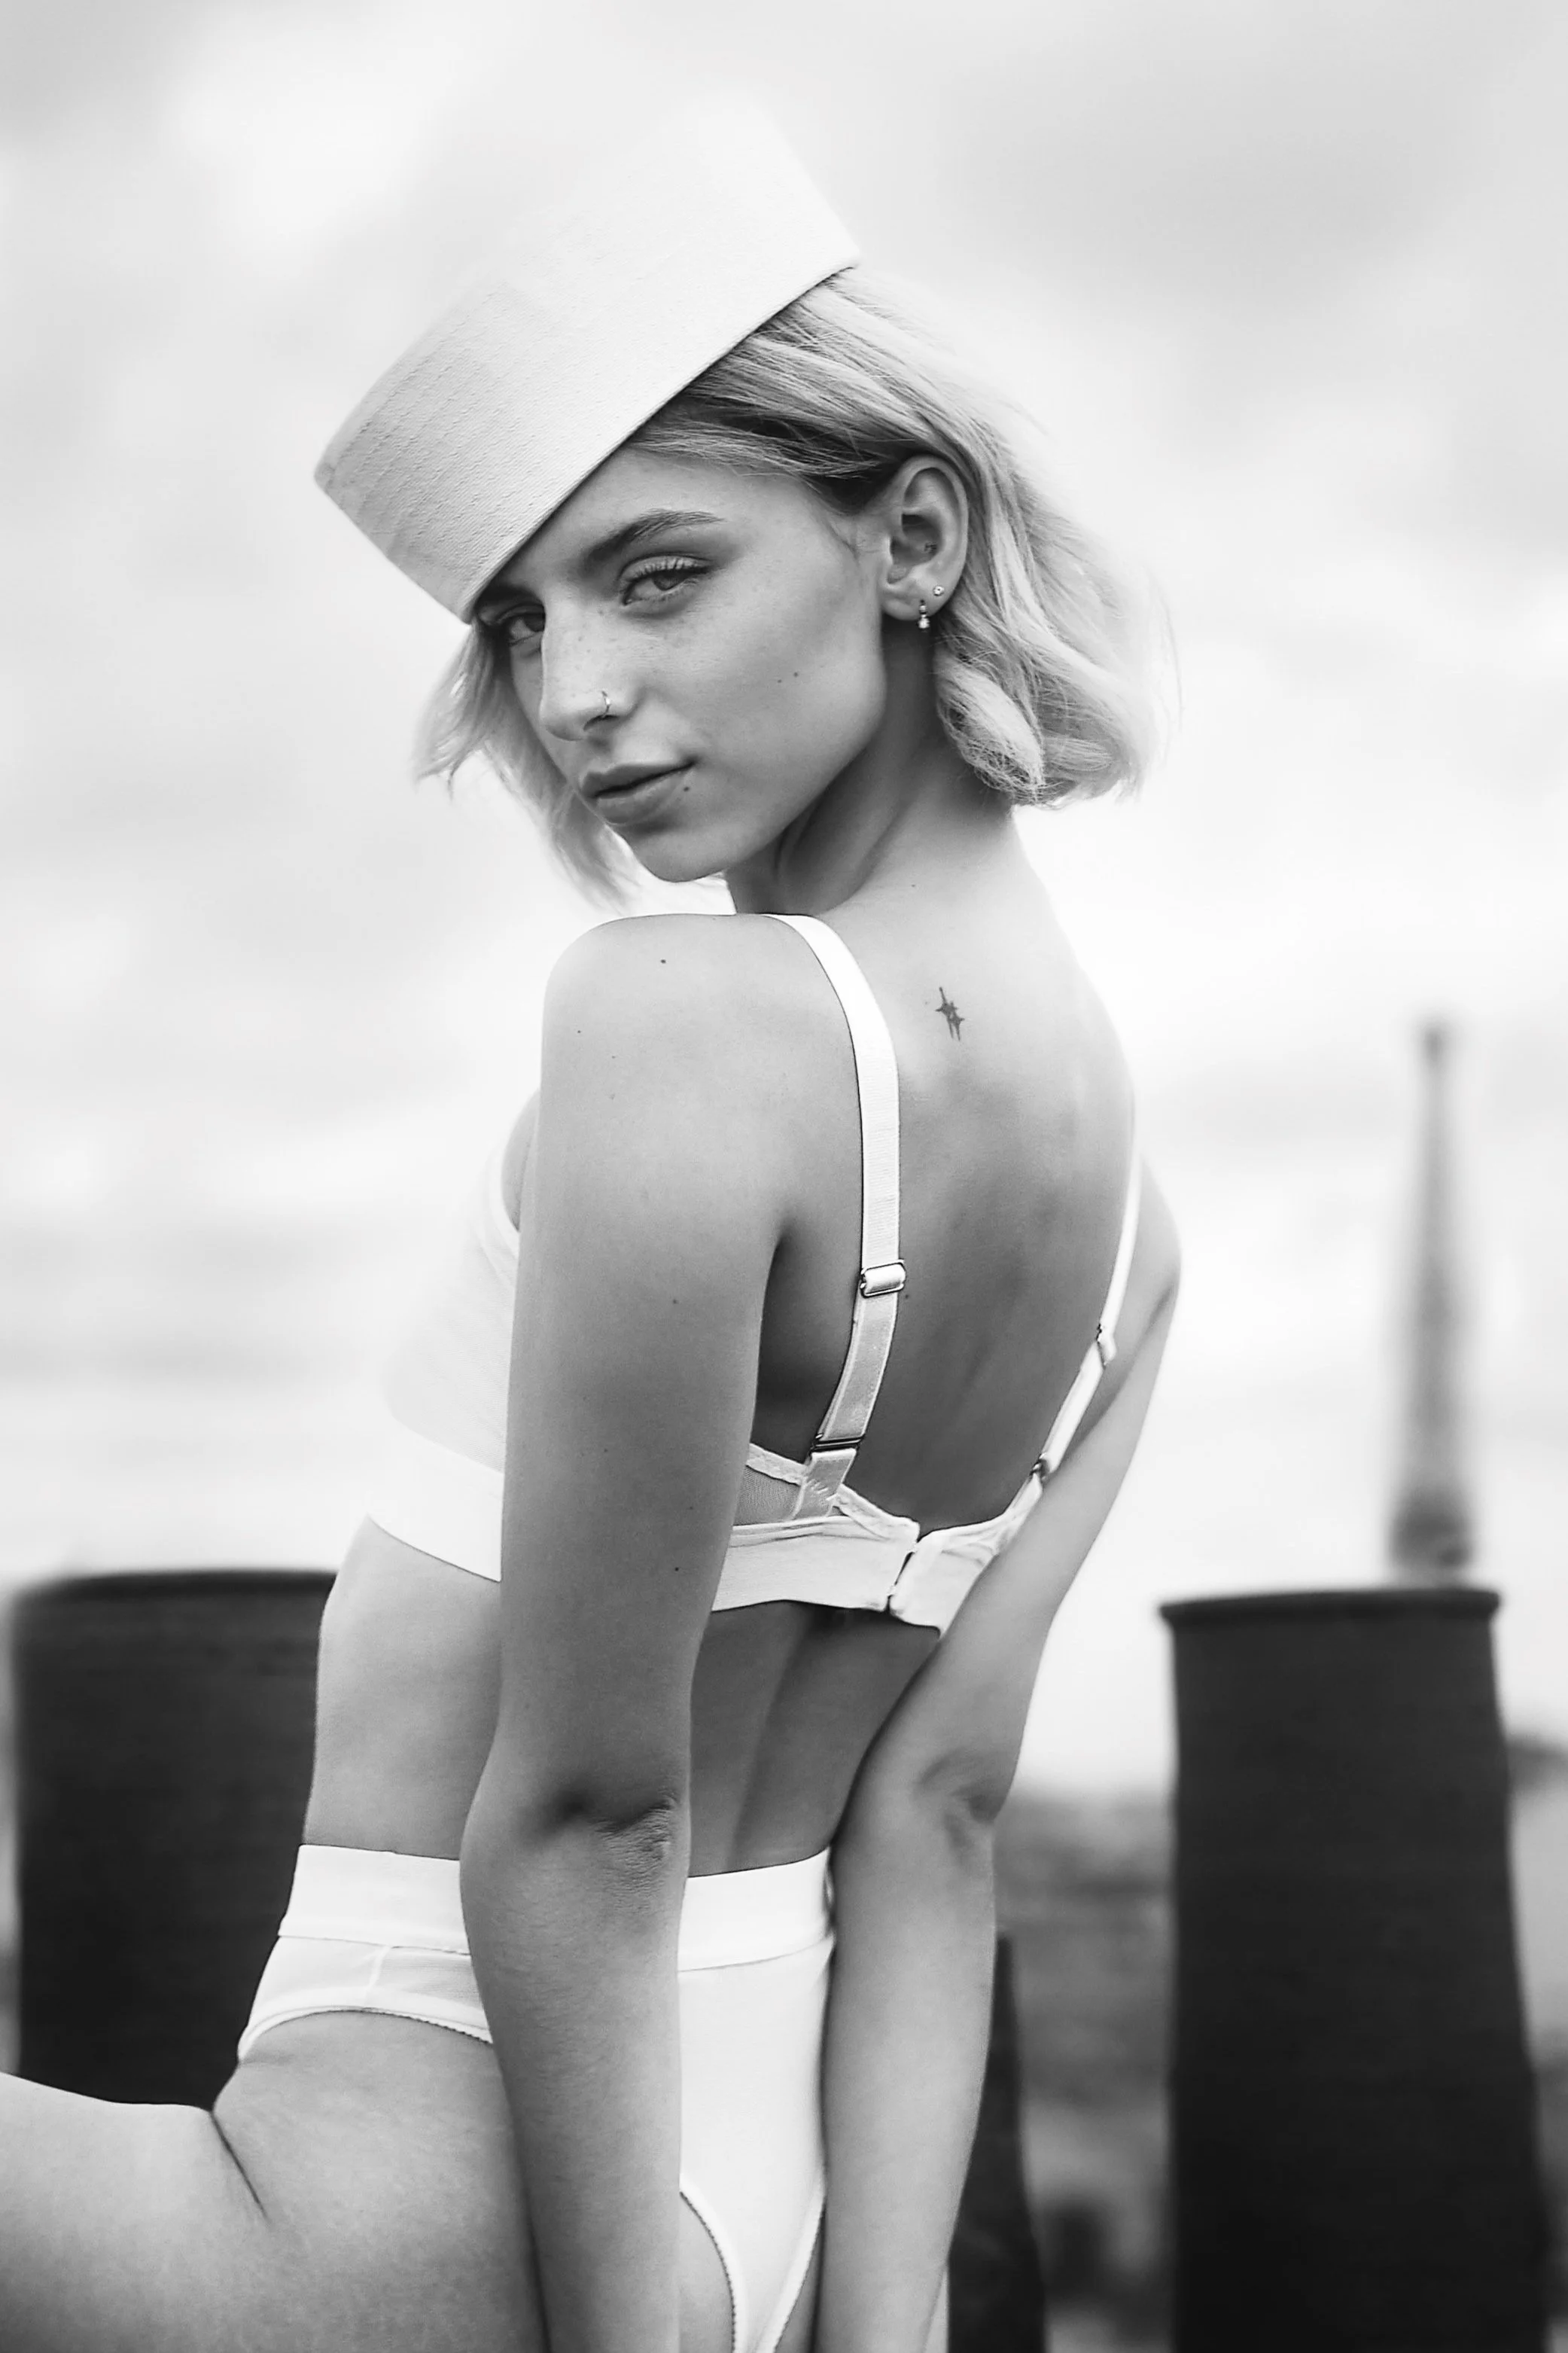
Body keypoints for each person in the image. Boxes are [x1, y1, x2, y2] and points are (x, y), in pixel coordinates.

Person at [2, 102, 1178, 2353]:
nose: (575, 699)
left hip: (404, 2196)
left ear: (909, 532)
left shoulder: (680, 1028)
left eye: (662, 576)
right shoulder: (1141, 1217)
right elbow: (932, 1823)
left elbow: (590, 1816)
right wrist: (883, 2323)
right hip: (772, 2220)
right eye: (527, 624)